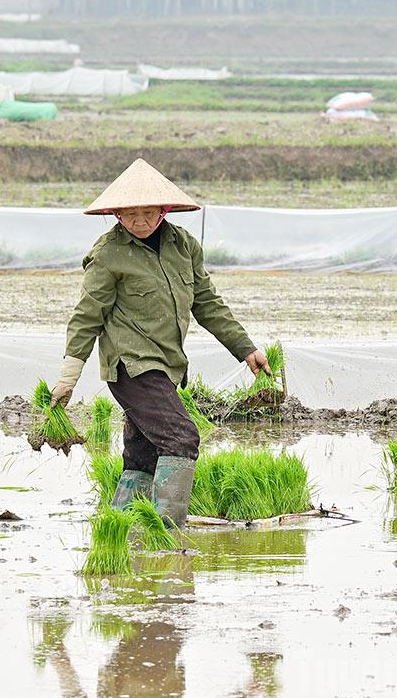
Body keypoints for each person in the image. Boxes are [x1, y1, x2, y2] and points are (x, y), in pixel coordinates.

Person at [50, 158, 271, 526]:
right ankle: (166, 533)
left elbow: (207, 302)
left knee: (143, 452)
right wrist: (68, 377)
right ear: (116, 215)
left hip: (168, 366)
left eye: (148, 213)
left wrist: (246, 349)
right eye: (129, 215)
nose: (138, 222)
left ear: (165, 210)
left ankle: (120, 527)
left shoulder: (183, 245)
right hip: (131, 367)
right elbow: (86, 316)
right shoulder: (108, 254)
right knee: (182, 438)